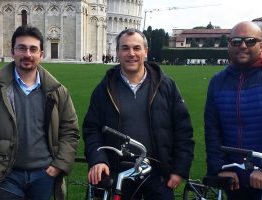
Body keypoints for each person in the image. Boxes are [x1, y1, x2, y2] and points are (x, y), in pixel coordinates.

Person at [0, 25, 79, 200]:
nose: (27, 54)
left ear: (41, 54)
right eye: (22, 48)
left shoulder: (57, 91)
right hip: (4, 172)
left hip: (44, 175)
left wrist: (59, 165)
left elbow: (70, 131)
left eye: (33, 49)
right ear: (12, 52)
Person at [83, 28, 194, 200]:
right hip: (118, 173)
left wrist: (179, 170)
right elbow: (92, 129)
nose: (131, 53)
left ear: (145, 52)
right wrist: (98, 159)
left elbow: (183, 130)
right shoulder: (104, 89)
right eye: (125, 48)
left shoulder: (166, 86)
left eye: (136, 48)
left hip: (158, 174)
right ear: (117, 53)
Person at [205, 21, 262, 200]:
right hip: (233, 180)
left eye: (250, 41)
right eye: (236, 41)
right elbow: (212, 131)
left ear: (261, 45)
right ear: (229, 45)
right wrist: (219, 169)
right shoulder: (217, 82)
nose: (242, 46)